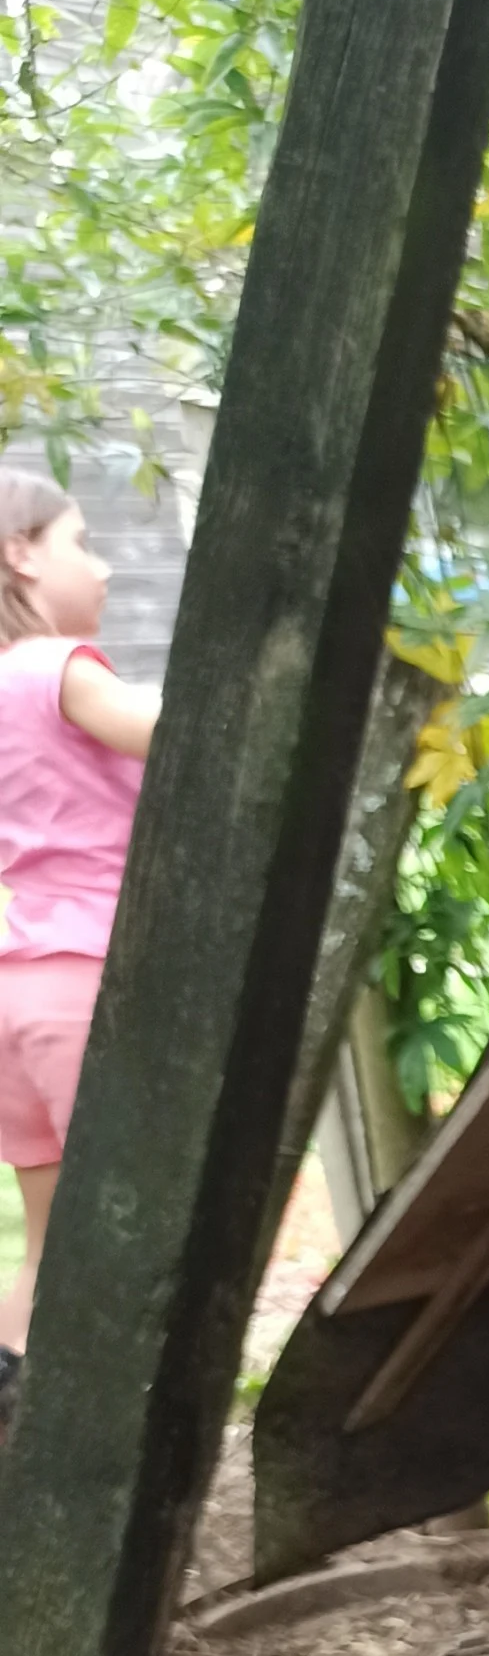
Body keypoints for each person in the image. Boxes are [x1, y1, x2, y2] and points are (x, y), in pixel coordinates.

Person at [0, 479, 153, 1422]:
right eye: (81, 543)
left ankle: (16, 1417)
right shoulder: (52, 665)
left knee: (48, 1242)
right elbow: (187, 733)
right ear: (21, 554)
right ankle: (99, 1441)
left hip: (18, 986)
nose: (101, 566)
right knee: (128, 1229)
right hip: (93, 976)